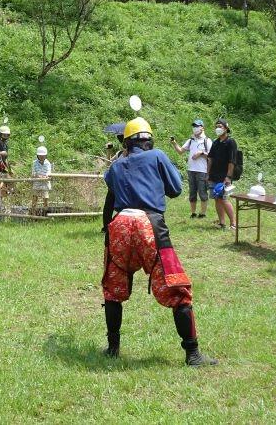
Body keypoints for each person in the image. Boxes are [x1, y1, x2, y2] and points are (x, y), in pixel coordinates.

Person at [100, 114, 217, 367]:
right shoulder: (157, 156)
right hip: (150, 225)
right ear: (148, 140)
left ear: (127, 142)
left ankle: (113, 347)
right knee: (176, 286)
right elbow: (175, 189)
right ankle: (192, 353)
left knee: (113, 287)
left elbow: (110, 191)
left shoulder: (117, 165)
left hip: (119, 225)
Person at [172, 119, 211, 218]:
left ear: (202, 128)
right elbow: (181, 151)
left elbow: (212, 157)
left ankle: (202, 213)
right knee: (192, 192)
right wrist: (174, 143)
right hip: (191, 170)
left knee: (202, 192)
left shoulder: (207, 140)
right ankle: (193, 213)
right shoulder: (191, 140)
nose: (195, 128)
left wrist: (201, 153)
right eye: (194, 126)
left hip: (202, 170)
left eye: (197, 126)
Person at [206, 119, 238, 231]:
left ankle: (233, 223)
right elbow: (210, 159)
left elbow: (232, 161)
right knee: (216, 198)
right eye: (216, 126)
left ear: (226, 128)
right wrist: (208, 174)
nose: (217, 128)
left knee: (224, 199)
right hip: (214, 175)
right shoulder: (215, 143)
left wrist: (228, 176)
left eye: (220, 126)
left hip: (224, 176)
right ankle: (221, 223)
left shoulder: (231, 142)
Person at [31, 145, 52, 215]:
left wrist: (46, 176)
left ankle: (45, 214)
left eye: (43, 155)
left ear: (46, 156)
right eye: (40, 155)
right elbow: (33, 173)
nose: (41, 157)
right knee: (34, 199)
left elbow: (49, 172)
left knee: (45, 199)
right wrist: (38, 176)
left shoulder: (48, 163)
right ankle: (33, 214)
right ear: (37, 155)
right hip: (37, 183)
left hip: (45, 183)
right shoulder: (34, 163)